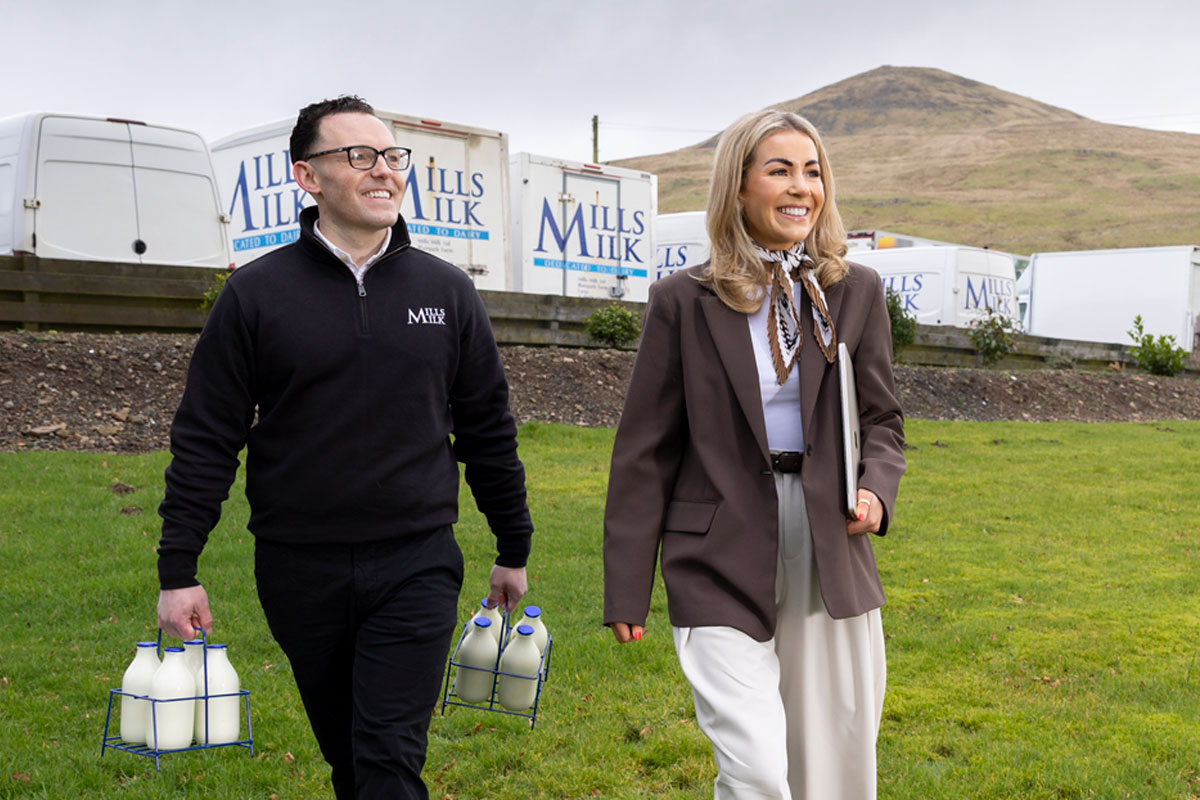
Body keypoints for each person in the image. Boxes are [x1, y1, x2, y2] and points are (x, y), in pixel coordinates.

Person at [155, 95, 532, 800]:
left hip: (416, 562)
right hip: (299, 570)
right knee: (351, 760)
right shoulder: (256, 295)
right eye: (359, 156)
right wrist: (179, 566)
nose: (384, 170)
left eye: (392, 156)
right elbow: (207, 435)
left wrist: (513, 545)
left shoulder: (447, 292)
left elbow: (487, 428)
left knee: (388, 758)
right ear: (309, 177)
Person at [603, 109, 906, 800]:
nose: (802, 187)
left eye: (813, 171)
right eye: (780, 170)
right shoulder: (683, 299)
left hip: (830, 537)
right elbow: (645, 449)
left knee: (833, 763)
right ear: (738, 188)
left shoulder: (855, 291)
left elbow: (881, 418)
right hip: (716, 549)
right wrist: (627, 584)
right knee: (758, 770)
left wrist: (876, 490)